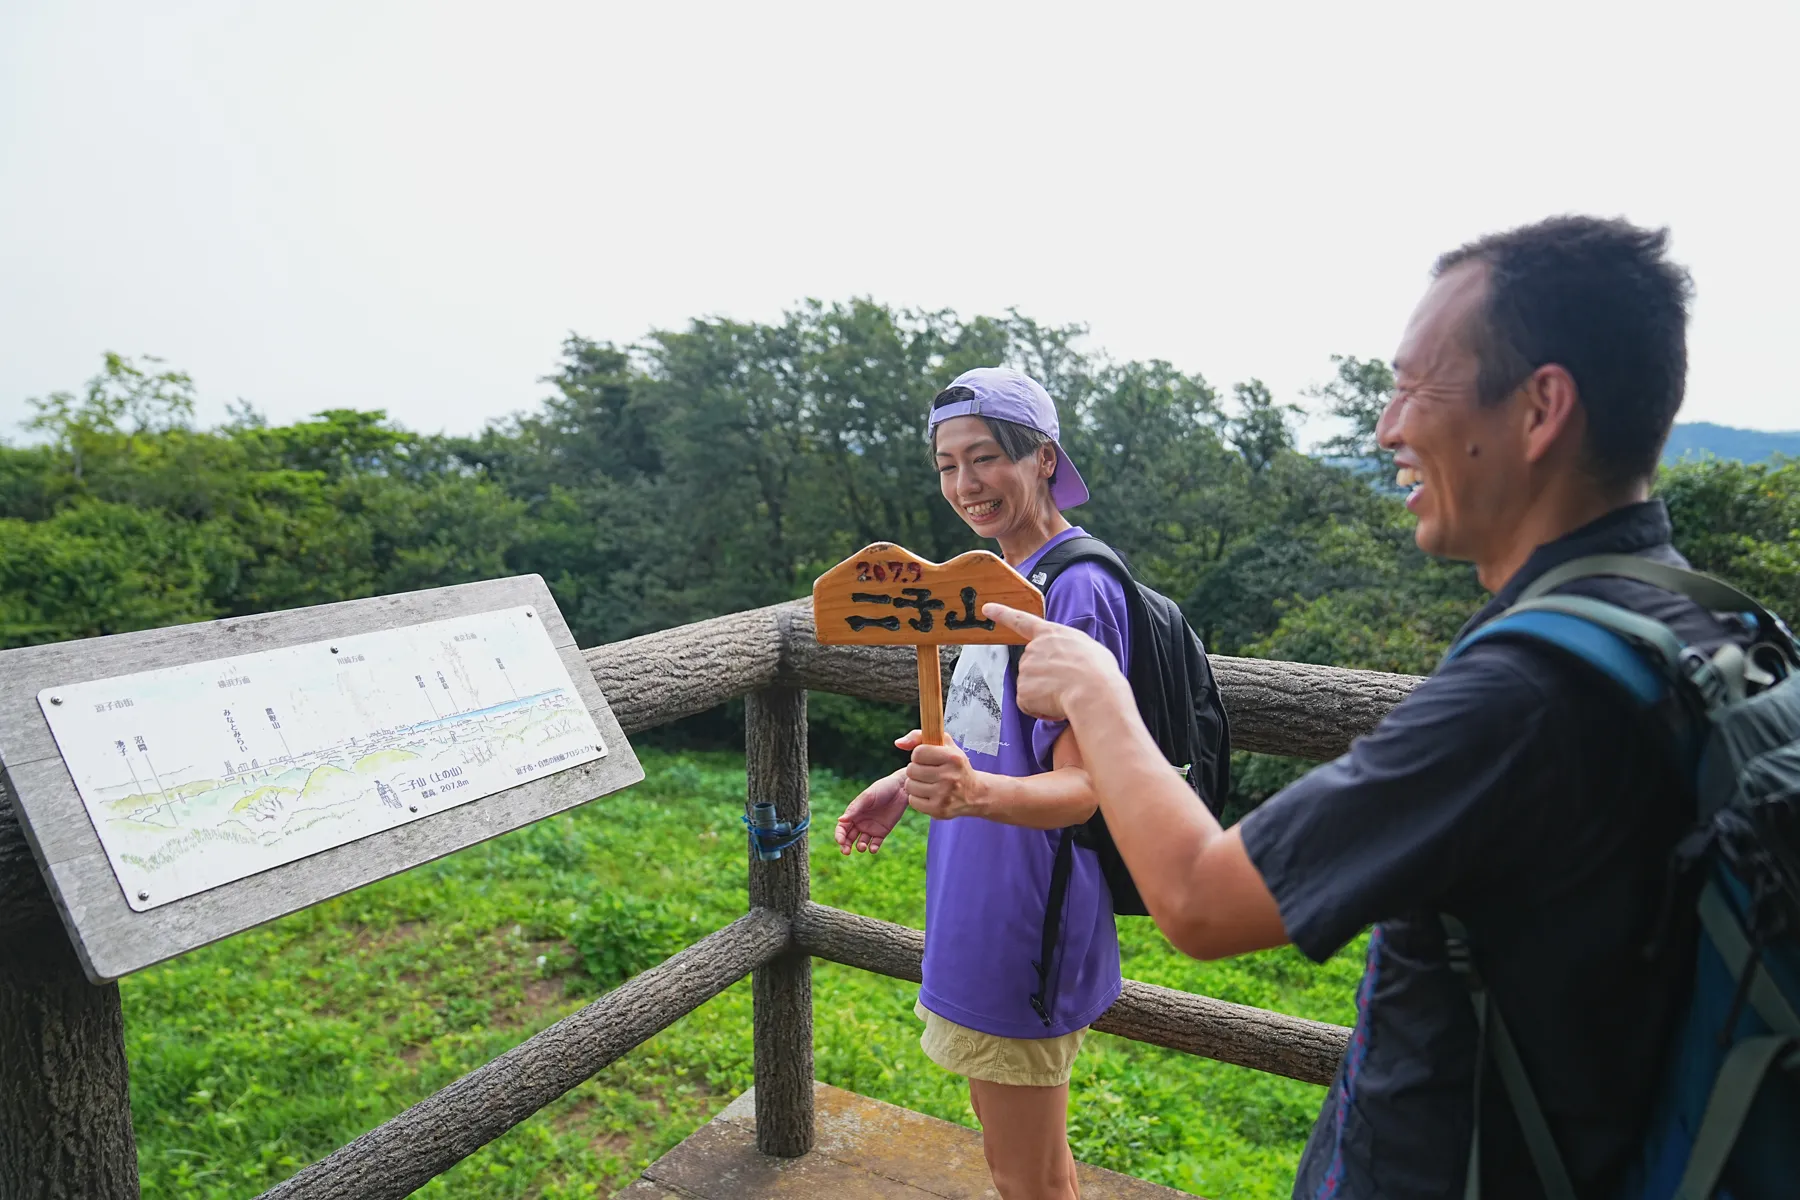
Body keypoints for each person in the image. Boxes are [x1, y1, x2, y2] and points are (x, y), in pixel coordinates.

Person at [986, 216, 1735, 1198]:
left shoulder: (1526, 696)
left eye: (1416, 386)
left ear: (1541, 407)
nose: (1389, 427)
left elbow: (1203, 901)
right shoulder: (1720, 633)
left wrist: (1094, 687)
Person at [833, 366, 1130, 1200]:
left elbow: (1084, 788)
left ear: (1042, 458)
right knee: (1035, 1167)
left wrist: (973, 798)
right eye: (946, 464)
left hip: (1022, 915)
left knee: (1025, 1180)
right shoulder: (989, 582)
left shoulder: (1076, 591)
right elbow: (983, 739)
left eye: (986, 457)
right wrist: (905, 783)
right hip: (976, 898)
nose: (965, 484)